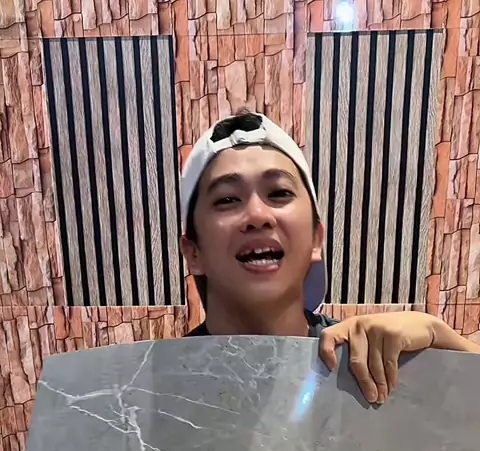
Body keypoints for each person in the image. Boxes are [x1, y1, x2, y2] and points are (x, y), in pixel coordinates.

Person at [180, 110, 480, 404]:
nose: (258, 215)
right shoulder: (158, 384)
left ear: (316, 239)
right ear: (193, 252)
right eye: (227, 199)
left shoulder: (369, 365)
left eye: (279, 193)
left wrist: (444, 344)